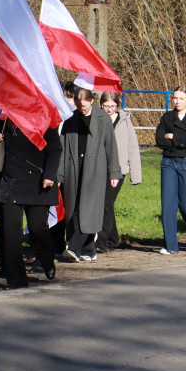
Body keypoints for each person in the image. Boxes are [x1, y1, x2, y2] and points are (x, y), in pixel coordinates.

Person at [0, 120, 62, 288]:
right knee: (10, 233)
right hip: (11, 180)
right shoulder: (6, 117)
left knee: (37, 228)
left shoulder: (44, 117)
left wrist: (50, 175)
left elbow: (55, 149)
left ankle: (47, 259)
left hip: (38, 181)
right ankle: (16, 279)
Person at [60, 88, 122, 262]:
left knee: (87, 209)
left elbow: (111, 147)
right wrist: (59, 174)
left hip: (95, 170)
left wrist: (114, 173)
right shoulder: (71, 119)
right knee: (74, 208)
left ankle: (74, 247)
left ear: (92, 101)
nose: (82, 108)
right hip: (74, 169)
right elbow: (63, 147)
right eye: (79, 105)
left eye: (85, 105)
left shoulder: (103, 119)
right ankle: (88, 249)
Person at [155, 86, 186, 254]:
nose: (177, 101)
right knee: (168, 204)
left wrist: (173, 137)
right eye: (175, 98)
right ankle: (170, 245)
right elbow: (159, 140)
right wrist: (179, 141)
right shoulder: (167, 117)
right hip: (168, 162)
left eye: (181, 98)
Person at [97, 92, 141, 253]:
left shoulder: (125, 121)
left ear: (117, 105)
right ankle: (114, 238)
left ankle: (102, 242)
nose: (109, 109)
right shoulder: (97, 119)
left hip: (119, 169)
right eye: (106, 106)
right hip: (100, 168)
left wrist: (136, 175)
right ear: (101, 105)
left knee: (106, 203)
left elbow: (132, 147)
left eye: (112, 106)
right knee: (104, 204)